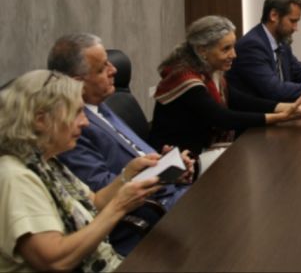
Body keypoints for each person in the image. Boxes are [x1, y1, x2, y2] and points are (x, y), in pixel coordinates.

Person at [46, 33, 194, 256]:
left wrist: (168, 167)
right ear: (77, 83)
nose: (114, 70)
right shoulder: (71, 129)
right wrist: (158, 174)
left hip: (170, 195)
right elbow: (100, 192)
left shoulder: (101, 105)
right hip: (145, 220)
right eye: (102, 68)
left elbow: (136, 156)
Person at [0, 70, 161, 272]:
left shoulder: (46, 162)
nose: (85, 122)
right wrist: (119, 206)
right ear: (41, 120)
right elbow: (55, 261)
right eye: (76, 112)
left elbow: (94, 202)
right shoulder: (15, 177)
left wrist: (128, 175)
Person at [150, 15, 301, 158]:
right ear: (202, 50)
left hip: (200, 148)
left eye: (233, 47)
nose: (234, 55)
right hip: (178, 159)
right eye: (226, 49)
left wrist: (290, 107)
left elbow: (239, 99)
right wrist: (281, 117)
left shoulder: (209, 71)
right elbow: (222, 118)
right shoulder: (185, 78)